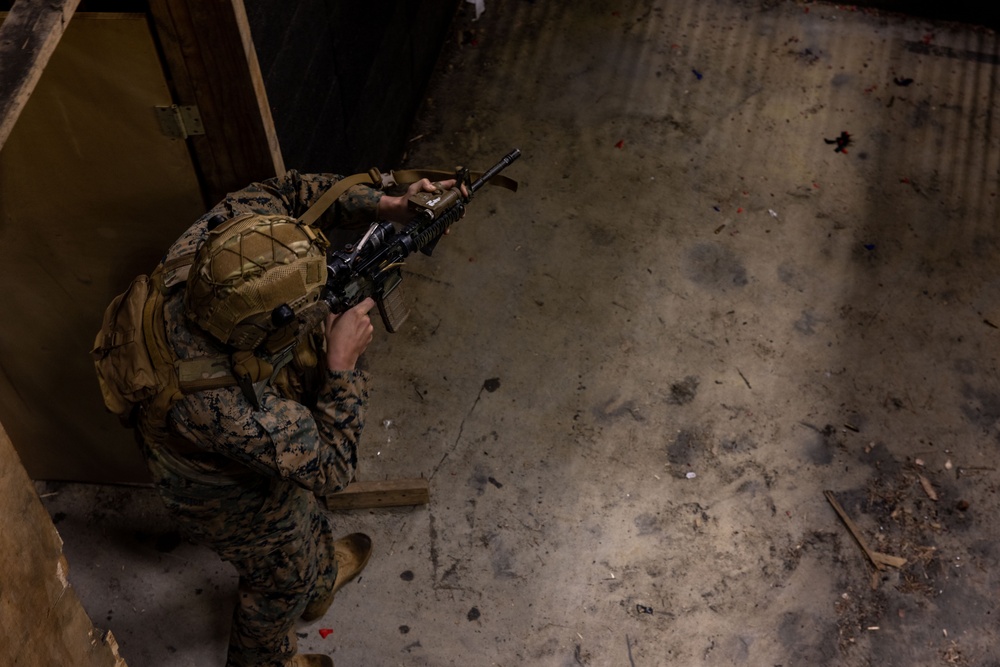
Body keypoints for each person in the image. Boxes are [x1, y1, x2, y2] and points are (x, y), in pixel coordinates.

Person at [134, 169, 460, 667]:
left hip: (250, 443)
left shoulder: (217, 245)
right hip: (215, 487)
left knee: (300, 517)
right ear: (258, 331)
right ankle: (268, 653)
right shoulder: (222, 405)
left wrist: (385, 205)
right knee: (277, 578)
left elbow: (290, 192)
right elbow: (330, 469)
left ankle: (319, 576)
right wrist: (342, 367)